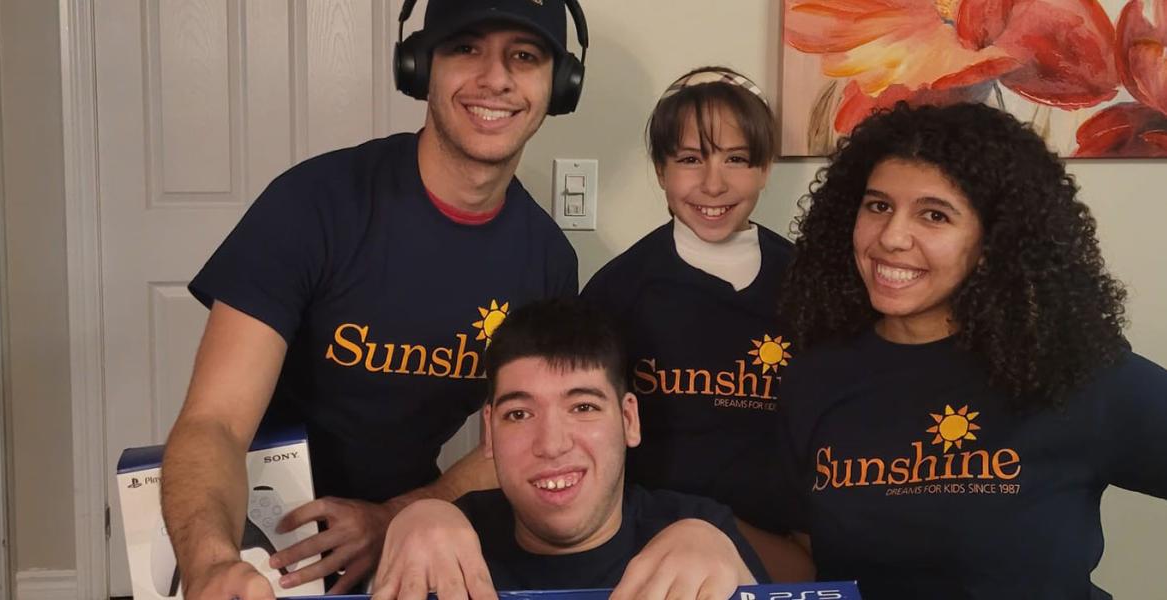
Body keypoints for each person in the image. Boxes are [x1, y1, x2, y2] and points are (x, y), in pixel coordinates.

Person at [159, 0, 584, 597]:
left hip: (412, 524)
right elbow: (216, 421)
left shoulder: (547, 261)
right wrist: (211, 563)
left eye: (524, 56)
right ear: (418, 66)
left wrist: (395, 517)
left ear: (561, 85)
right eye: (466, 48)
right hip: (262, 527)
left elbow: (514, 443)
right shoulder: (313, 205)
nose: (495, 78)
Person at [777, 102, 1167, 599]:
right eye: (877, 206)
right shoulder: (816, 378)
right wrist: (698, 532)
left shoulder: (1072, 371)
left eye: (934, 215)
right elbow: (809, 562)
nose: (892, 237)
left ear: (991, 243)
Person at [371, 298, 766, 599]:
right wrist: (412, 518)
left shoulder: (699, 532)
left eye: (583, 407)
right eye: (520, 414)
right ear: (488, 433)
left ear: (629, 419)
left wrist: (745, 588)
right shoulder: (441, 539)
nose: (552, 444)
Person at [581, 66, 810, 580]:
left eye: (737, 159)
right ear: (661, 170)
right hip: (644, 548)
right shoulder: (616, 292)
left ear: (765, 168)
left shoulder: (808, 287)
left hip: (775, 551)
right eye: (690, 159)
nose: (713, 183)